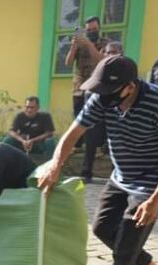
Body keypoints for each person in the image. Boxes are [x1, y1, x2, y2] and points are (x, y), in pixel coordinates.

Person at [38, 56, 158, 265]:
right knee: (102, 228)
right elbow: (74, 133)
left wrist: (156, 199)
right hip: (121, 174)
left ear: (130, 87)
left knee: (129, 234)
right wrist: (55, 164)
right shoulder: (103, 97)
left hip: (153, 180)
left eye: (110, 92)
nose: (102, 97)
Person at [65, 16, 109, 183]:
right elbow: (68, 62)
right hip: (79, 84)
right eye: (88, 29)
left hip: (96, 84)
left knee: (95, 118)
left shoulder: (104, 42)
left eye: (93, 29)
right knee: (78, 115)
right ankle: (77, 144)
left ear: (98, 28)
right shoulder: (78, 42)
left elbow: (101, 60)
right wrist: (74, 45)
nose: (91, 32)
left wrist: (88, 43)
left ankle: (97, 146)